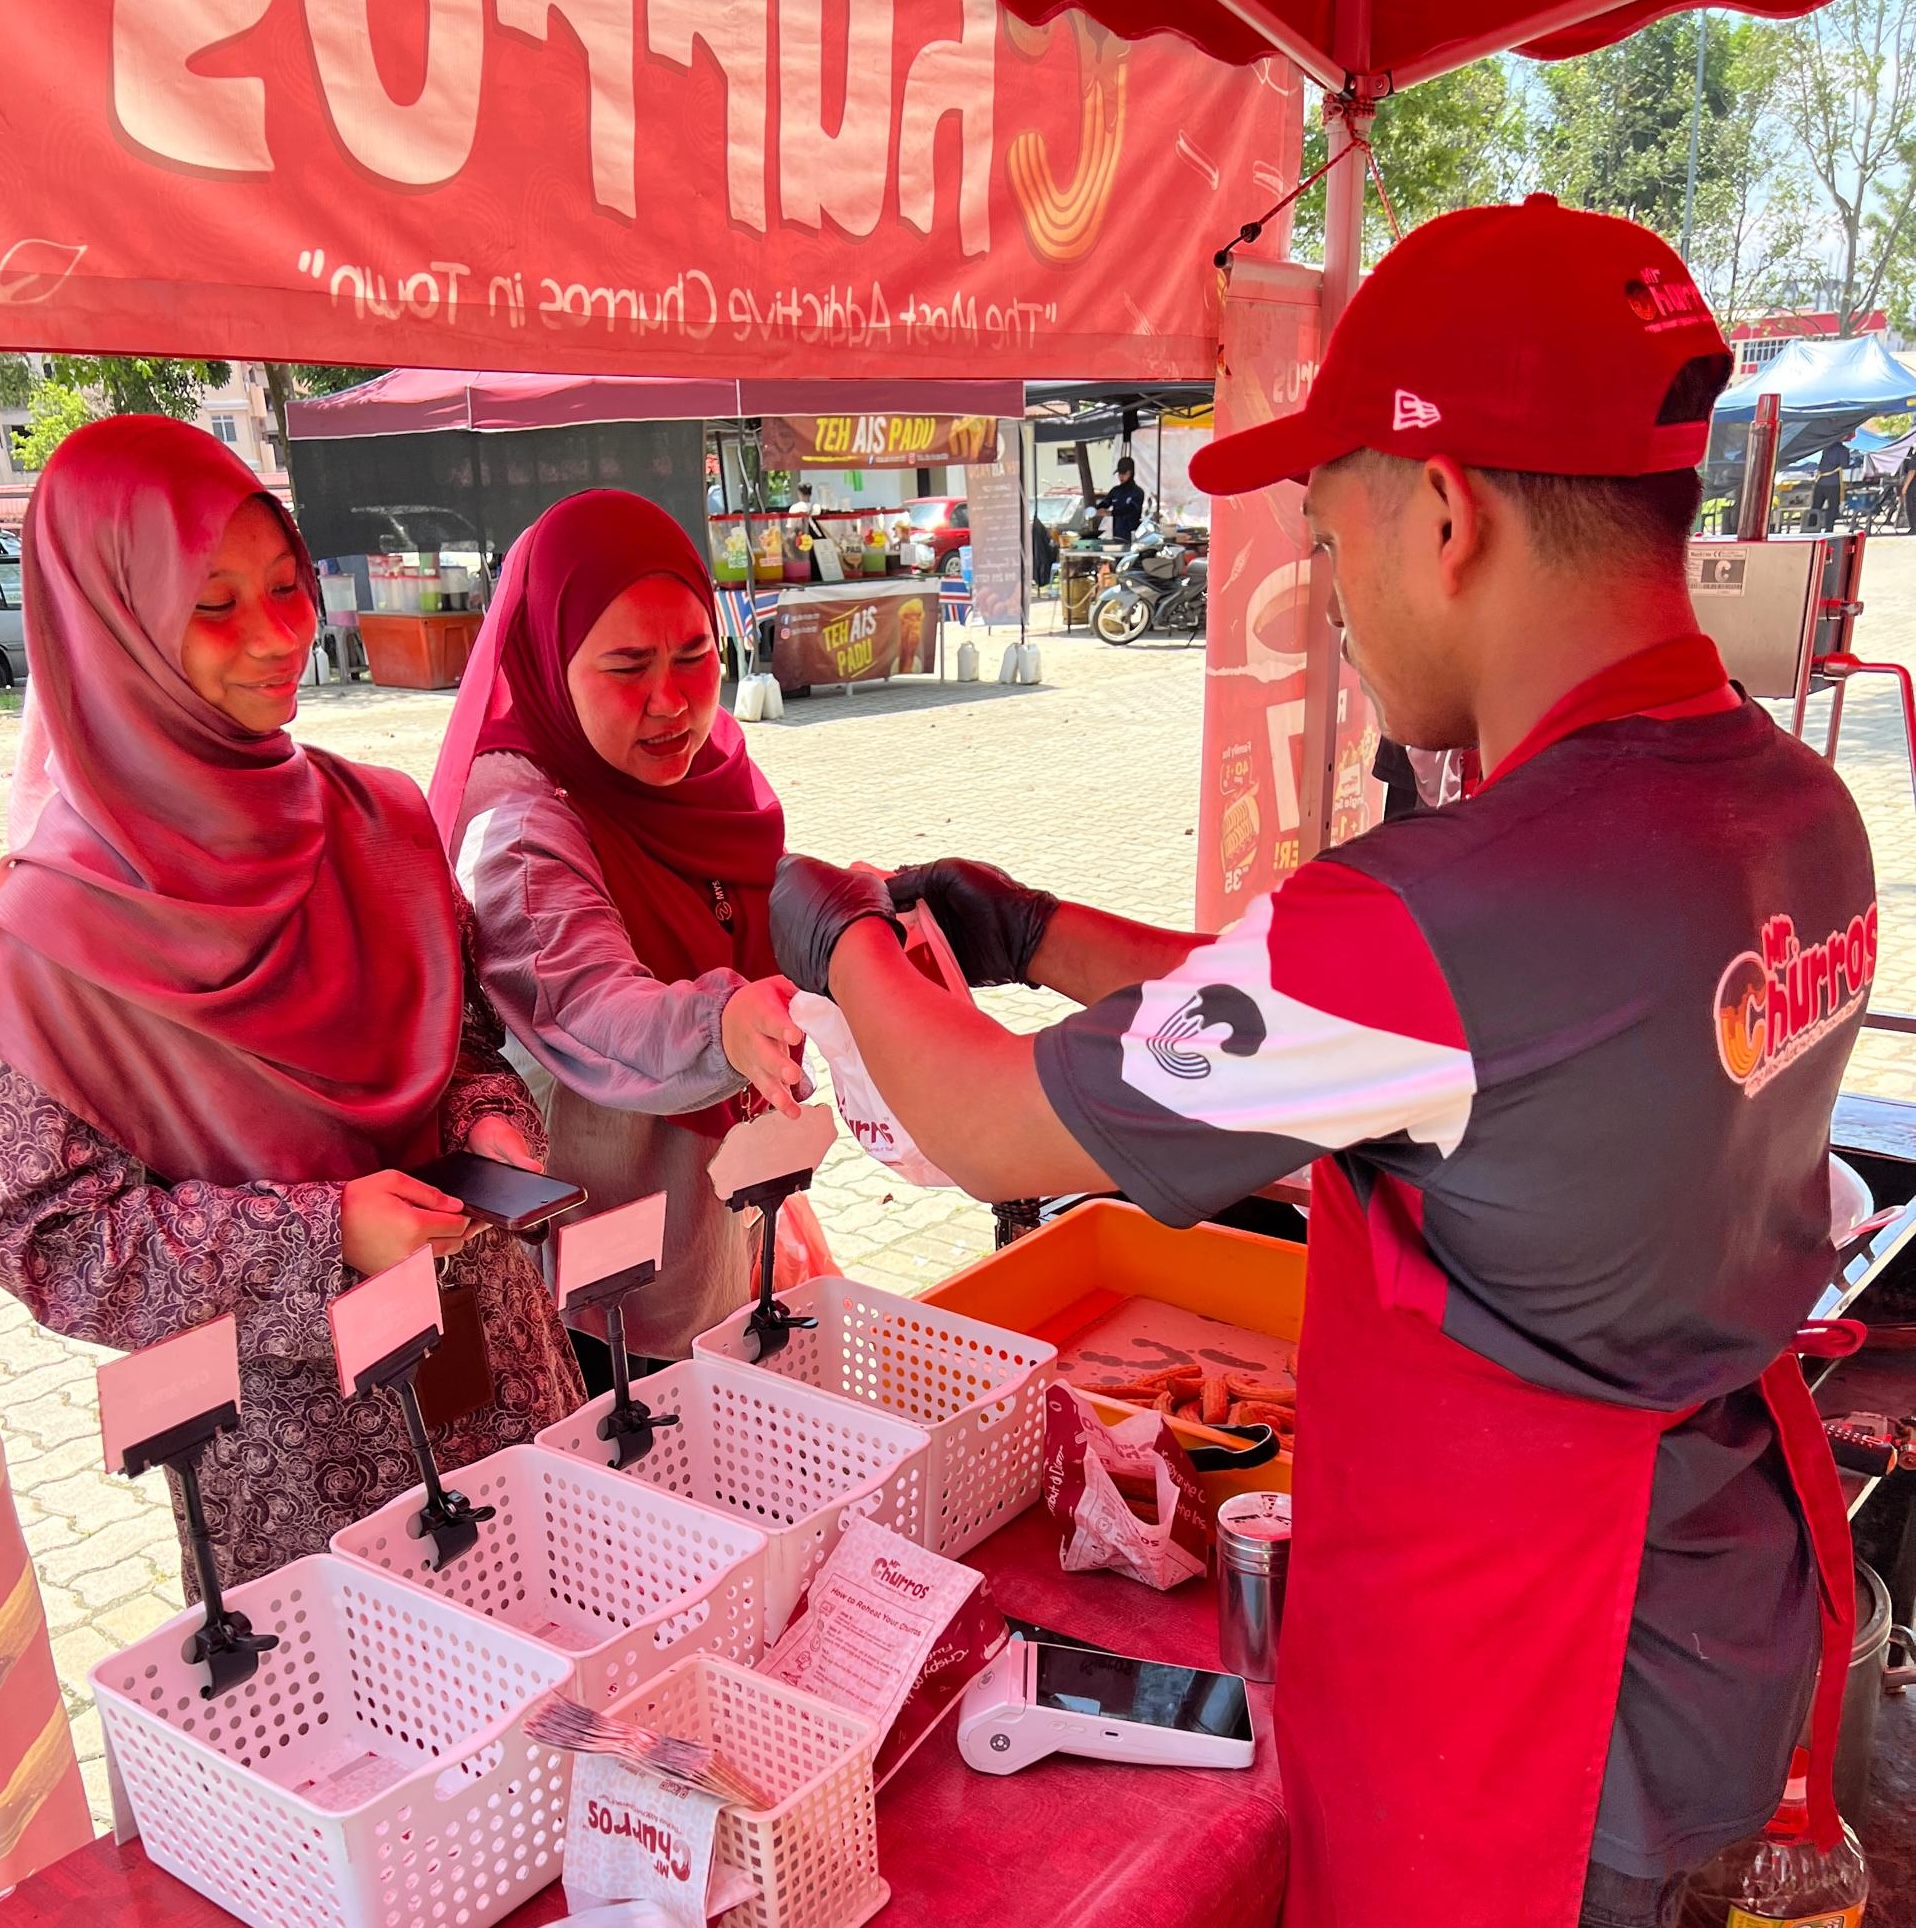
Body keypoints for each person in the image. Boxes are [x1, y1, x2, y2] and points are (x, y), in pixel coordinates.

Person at [768, 199, 1868, 1928]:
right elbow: (1350, 1038)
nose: (1334, 597)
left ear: (1445, 512)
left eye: (1330, 536)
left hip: (1537, 1696)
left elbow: (983, 1123)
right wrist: (1035, 925)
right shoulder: (1794, 810)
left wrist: (827, 932)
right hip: (1715, 1606)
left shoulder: (1450, 907)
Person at [0, 417, 584, 1592]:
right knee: (371, 1744)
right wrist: (326, 1234)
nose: (278, 638)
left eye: (286, 585)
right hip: (300, 1448)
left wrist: (489, 1126)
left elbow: (464, 1040)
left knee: (573, 1681)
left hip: (502, 1356)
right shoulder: (42, 941)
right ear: (108, 625)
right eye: (213, 605)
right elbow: (60, 1242)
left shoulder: (381, 822)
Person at [430, 491, 805, 1375]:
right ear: (550, 659)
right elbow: (589, 998)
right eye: (628, 666)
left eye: (695, 654)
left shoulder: (699, 774)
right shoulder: (520, 824)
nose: (672, 701)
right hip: (600, 1245)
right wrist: (722, 1026)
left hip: (705, 1199)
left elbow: (735, 900)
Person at [1095, 457, 1146, 545]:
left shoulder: (1137, 492)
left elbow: (1130, 509)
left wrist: (1110, 513)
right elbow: (1106, 503)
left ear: (1131, 474)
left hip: (1133, 536)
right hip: (1117, 535)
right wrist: (1095, 509)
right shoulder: (1115, 491)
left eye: (1124, 473)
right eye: (1119, 474)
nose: (1121, 476)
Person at [1810, 434, 1850, 530]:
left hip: (1820, 481)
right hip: (1833, 482)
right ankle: (1829, 529)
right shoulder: (1843, 450)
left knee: (1816, 506)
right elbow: (1844, 464)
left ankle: (1811, 527)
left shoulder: (1826, 447)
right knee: (1832, 508)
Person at [1897, 442, 1916, 533]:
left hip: (1913, 486)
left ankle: (1914, 527)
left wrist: (1905, 487)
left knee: (1911, 506)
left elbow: (1912, 471)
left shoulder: (1914, 457)